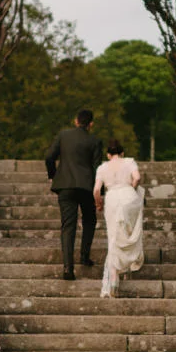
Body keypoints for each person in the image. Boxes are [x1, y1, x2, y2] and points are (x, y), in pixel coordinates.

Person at [44, 109, 104, 280]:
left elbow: (49, 157)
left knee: (68, 226)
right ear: (91, 124)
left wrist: (53, 175)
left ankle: (68, 268)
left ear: (76, 121)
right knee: (89, 220)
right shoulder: (95, 141)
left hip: (65, 185)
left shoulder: (63, 135)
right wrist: (99, 193)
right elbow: (97, 168)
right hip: (86, 186)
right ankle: (84, 256)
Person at [93, 139, 145, 299]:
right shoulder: (129, 162)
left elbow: (96, 190)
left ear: (108, 155)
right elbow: (137, 178)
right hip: (128, 196)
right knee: (128, 230)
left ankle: (114, 280)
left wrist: (98, 204)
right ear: (122, 153)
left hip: (112, 198)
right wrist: (132, 189)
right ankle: (129, 259)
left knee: (114, 236)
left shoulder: (102, 167)